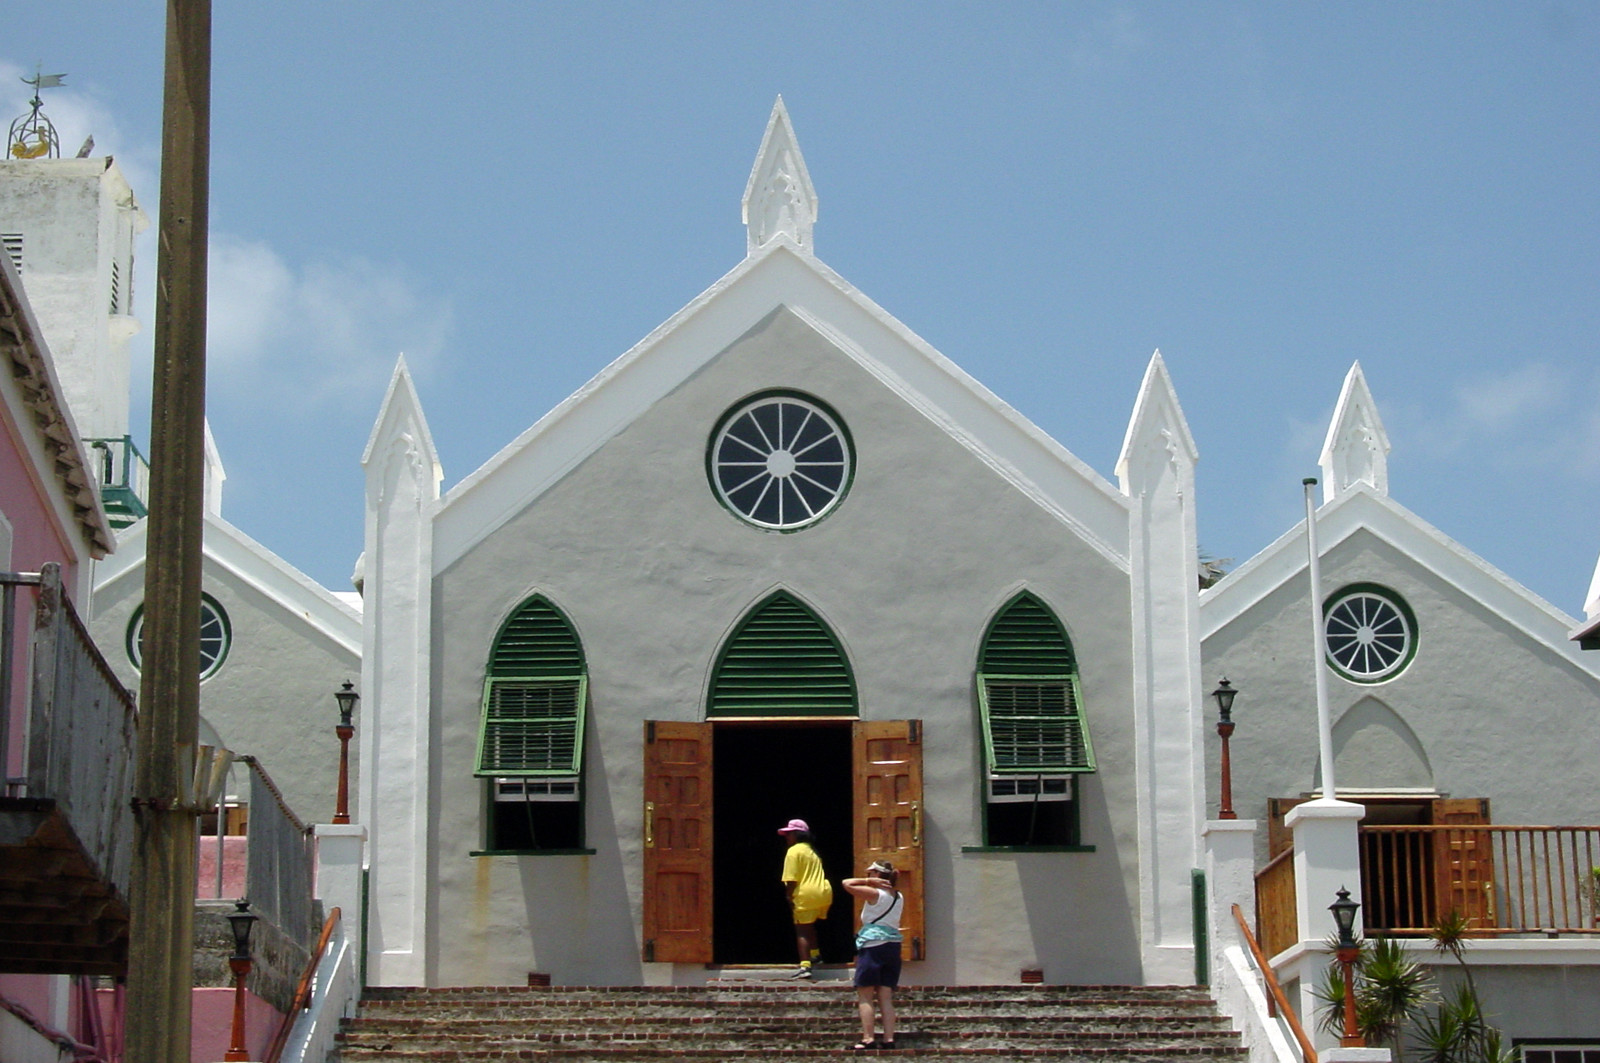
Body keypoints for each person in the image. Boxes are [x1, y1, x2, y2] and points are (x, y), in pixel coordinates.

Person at [843, 859, 903, 1050]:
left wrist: (868, 882)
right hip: (893, 946)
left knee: (866, 995)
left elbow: (846, 883)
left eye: (871, 873)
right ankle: (889, 1039)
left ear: (877, 875)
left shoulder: (875, 894)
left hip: (873, 946)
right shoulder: (898, 896)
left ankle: (868, 1038)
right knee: (885, 996)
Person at [777, 818, 832, 978]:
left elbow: (791, 880)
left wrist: (789, 897)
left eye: (789, 834)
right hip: (823, 892)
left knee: (801, 930)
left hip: (805, 894)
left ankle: (805, 966)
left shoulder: (793, 852)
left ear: (797, 834)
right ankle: (816, 955)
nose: (787, 837)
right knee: (809, 926)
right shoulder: (812, 851)